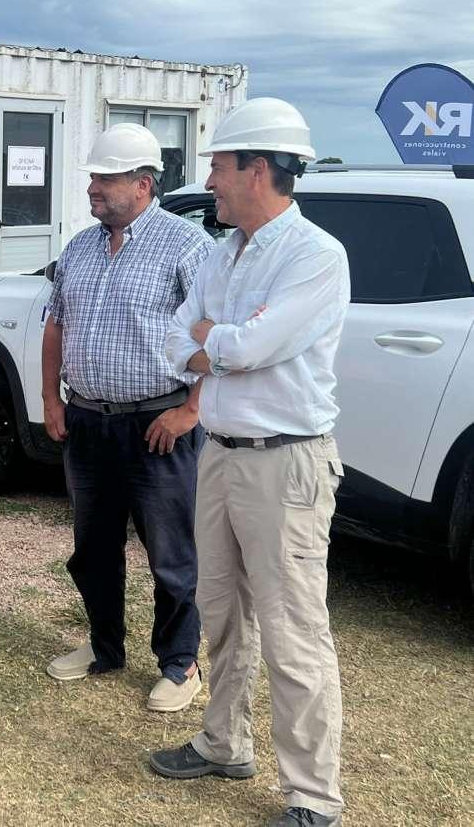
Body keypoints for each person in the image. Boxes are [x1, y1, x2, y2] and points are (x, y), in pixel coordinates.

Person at [152, 98, 350, 827]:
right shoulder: (222, 252)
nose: (209, 180)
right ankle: (224, 741)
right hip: (222, 455)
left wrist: (215, 340)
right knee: (222, 611)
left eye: (218, 166)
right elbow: (176, 340)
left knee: (293, 628)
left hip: (285, 465)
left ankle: (313, 796)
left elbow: (247, 348)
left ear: (257, 169)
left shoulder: (315, 256)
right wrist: (219, 339)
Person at [40, 123, 212, 712]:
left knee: (171, 554)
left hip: (157, 425)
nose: (94, 187)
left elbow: (214, 336)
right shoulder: (80, 247)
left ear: (143, 184)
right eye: (93, 177)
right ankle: (104, 646)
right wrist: (51, 400)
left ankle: (180, 663)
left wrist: (191, 410)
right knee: (93, 549)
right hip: (88, 423)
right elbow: (57, 324)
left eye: (106, 179)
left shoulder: (186, 246)